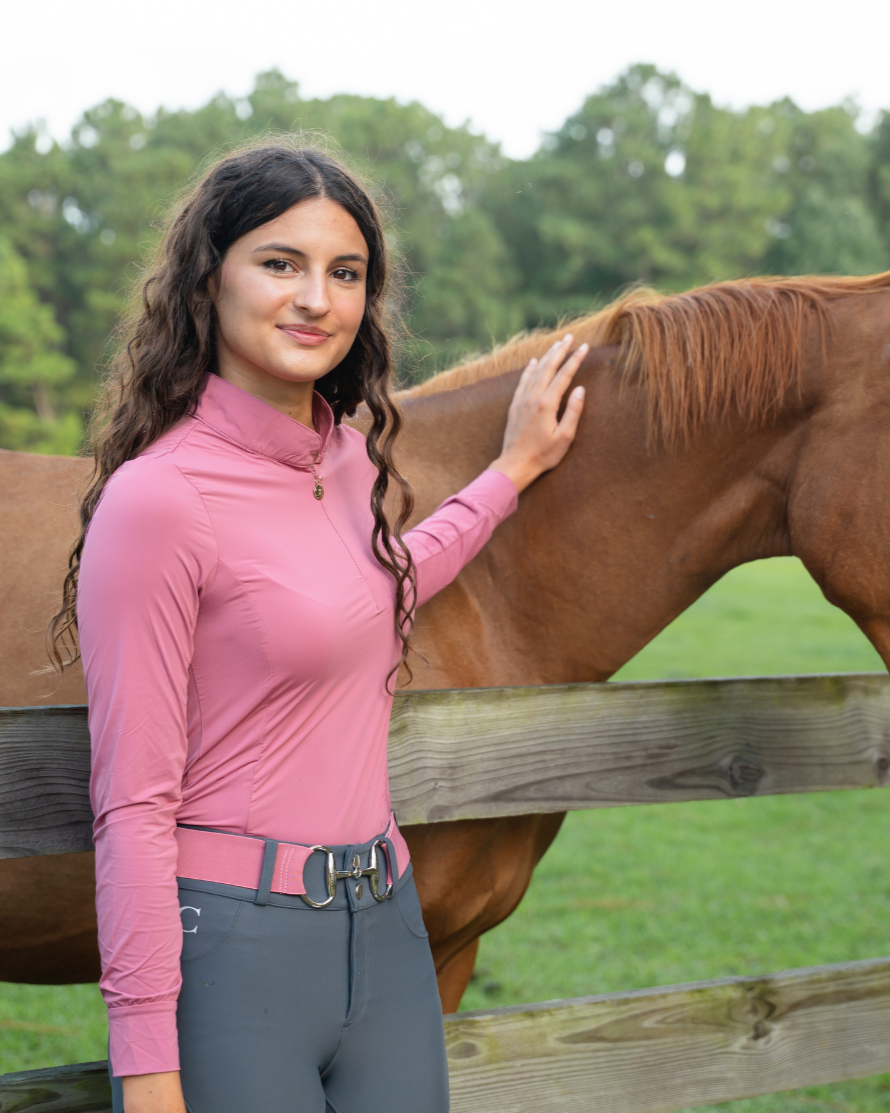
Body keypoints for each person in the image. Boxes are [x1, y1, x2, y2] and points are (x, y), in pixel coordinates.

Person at [51, 141, 587, 1113]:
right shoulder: (159, 500)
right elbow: (131, 805)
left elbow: (378, 592)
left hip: (386, 925)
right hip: (235, 950)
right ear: (208, 280)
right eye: (280, 263)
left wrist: (508, 474)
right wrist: (147, 1061)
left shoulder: (344, 461)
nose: (315, 299)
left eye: (345, 273)